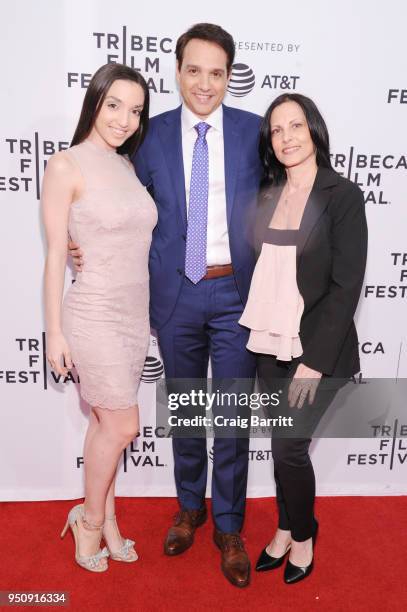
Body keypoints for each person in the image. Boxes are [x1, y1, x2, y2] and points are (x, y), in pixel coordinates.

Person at [71, 23, 262, 587]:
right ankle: (189, 509)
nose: (205, 83)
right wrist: (78, 237)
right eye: (194, 70)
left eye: (217, 72)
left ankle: (228, 524)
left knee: (229, 417)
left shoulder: (255, 133)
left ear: (229, 76)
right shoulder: (145, 136)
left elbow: (295, 191)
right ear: (177, 71)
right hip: (173, 295)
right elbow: (105, 189)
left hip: (235, 296)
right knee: (184, 413)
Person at [239, 93, 368, 583]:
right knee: (280, 447)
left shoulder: (342, 195)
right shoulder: (266, 195)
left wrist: (314, 361)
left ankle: (304, 534)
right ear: (269, 142)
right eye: (277, 130)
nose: (287, 137)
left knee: (290, 448)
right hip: (269, 342)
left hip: (316, 349)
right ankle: (285, 527)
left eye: (296, 126)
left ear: (314, 130)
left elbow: (345, 286)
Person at [42, 63, 157, 572]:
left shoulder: (127, 167)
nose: (124, 118)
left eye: (135, 110)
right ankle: (88, 521)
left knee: (106, 425)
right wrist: (54, 332)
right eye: (114, 105)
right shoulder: (66, 165)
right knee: (124, 426)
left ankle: (107, 519)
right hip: (92, 313)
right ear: (94, 102)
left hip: (135, 318)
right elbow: (53, 255)